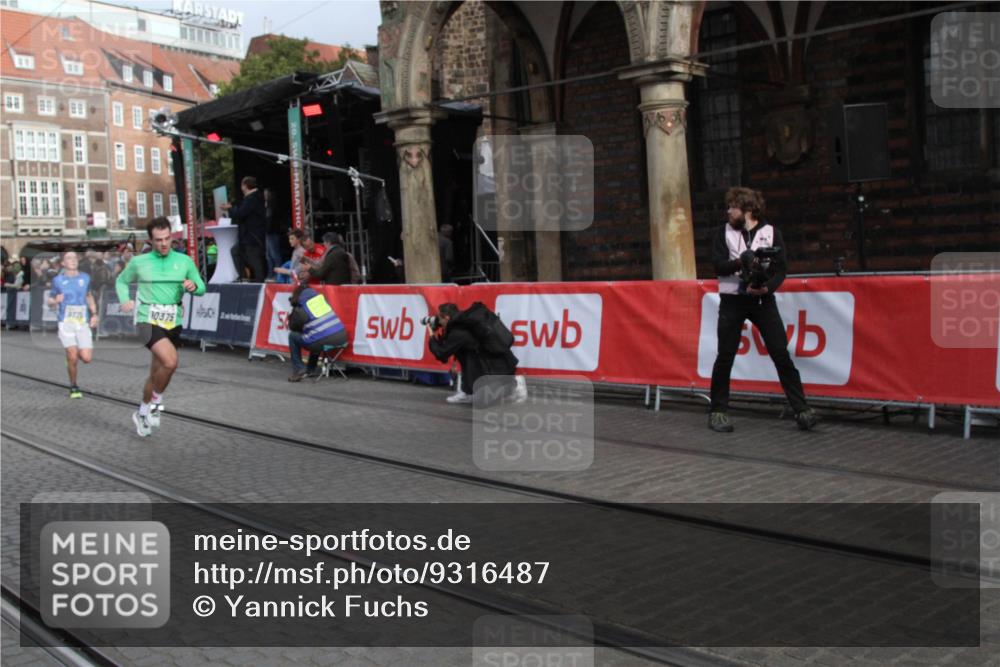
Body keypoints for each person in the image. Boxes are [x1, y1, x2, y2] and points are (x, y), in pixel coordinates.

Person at [708, 187, 818, 433]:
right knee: (725, 355)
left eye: (732, 207)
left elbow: (781, 269)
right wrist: (740, 262)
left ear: (747, 209)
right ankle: (718, 410)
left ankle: (802, 409)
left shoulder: (771, 233)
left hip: (762, 301)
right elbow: (718, 265)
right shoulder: (722, 233)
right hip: (732, 301)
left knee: (780, 351)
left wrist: (766, 288)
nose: (728, 211)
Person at [116, 217, 206, 437]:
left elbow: (202, 287)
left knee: (157, 371)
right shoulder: (140, 262)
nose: (164, 244)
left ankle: (142, 411)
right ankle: (156, 404)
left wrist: (193, 286)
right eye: (159, 240)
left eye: (167, 239)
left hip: (172, 321)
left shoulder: (184, 261)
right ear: (151, 240)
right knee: (170, 361)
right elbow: (121, 281)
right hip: (147, 318)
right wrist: (124, 299)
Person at [428, 302, 527, 404]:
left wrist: (431, 335)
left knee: (485, 401)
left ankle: (516, 384)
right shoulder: (462, 323)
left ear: (447, 317)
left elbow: (441, 353)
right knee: (466, 356)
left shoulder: (458, 331)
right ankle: (467, 393)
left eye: (439, 319)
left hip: (496, 367)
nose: (438, 322)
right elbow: (451, 348)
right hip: (494, 362)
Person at [47, 251, 100, 398]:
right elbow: (50, 300)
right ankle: (74, 386)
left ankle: (72, 358)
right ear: (63, 263)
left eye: (75, 257)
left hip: (82, 323)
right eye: (69, 258)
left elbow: (88, 296)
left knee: (87, 358)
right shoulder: (58, 280)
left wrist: (94, 314)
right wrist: (55, 300)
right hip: (66, 322)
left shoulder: (85, 277)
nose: (73, 260)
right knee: (72, 356)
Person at [286, 283, 348, 381]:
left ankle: (299, 368)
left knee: (293, 336)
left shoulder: (301, 308)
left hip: (324, 340)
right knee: (315, 335)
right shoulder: (322, 301)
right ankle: (310, 369)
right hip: (342, 337)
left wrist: (293, 310)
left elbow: (293, 327)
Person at [221, 176, 267, 281]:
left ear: (245, 186)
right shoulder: (252, 197)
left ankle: (259, 281)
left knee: (254, 257)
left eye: (242, 185)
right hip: (248, 235)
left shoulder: (252, 198)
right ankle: (244, 277)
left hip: (252, 235)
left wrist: (230, 208)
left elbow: (240, 213)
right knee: (236, 251)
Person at [263, 188, 285, 280]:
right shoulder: (266, 205)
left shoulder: (272, 205)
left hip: (272, 232)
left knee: (274, 254)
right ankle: (271, 274)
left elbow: (270, 218)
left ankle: (277, 274)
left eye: (266, 194)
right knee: (269, 255)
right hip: (268, 232)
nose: (264, 195)